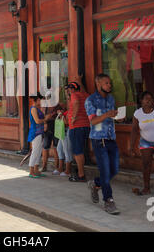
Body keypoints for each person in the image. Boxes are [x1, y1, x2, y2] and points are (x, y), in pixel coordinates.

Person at [85, 73, 121, 215]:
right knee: (105, 171)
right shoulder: (90, 100)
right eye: (106, 83)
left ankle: (95, 184)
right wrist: (107, 115)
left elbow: (111, 117)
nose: (109, 85)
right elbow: (93, 121)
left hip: (111, 138)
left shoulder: (111, 98)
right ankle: (108, 200)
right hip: (98, 140)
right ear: (98, 84)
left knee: (114, 170)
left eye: (110, 83)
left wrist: (116, 117)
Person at [67, 79, 90, 182]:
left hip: (76, 126)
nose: (68, 91)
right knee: (80, 151)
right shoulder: (85, 95)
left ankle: (81, 175)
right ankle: (81, 173)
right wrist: (80, 81)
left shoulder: (74, 95)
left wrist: (74, 118)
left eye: (69, 89)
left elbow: (76, 103)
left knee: (77, 152)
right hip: (86, 125)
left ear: (72, 89)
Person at [28, 93, 51, 178]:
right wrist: (45, 119)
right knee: (35, 151)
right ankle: (31, 171)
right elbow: (37, 121)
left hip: (39, 132)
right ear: (36, 100)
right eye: (39, 100)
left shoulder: (37, 108)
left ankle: (36, 169)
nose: (40, 101)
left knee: (38, 151)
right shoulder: (33, 109)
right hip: (35, 132)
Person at [41, 92, 62, 173]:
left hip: (56, 128)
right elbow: (43, 117)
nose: (48, 100)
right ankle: (44, 166)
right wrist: (45, 122)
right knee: (45, 147)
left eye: (49, 98)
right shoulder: (45, 107)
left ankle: (57, 167)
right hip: (47, 129)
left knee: (56, 148)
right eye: (47, 98)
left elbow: (61, 116)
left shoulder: (57, 106)